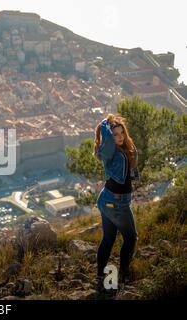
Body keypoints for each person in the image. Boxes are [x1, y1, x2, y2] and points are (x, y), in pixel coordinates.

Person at [94, 114, 140, 297]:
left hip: (106, 198)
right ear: (108, 138)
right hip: (117, 203)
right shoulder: (112, 152)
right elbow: (106, 137)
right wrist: (106, 123)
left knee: (109, 238)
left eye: (122, 133)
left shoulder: (122, 150)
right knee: (131, 238)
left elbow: (133, 157)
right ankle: (124, 274)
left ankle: (100, 277)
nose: (120, 137)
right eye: (115, 135)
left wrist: (112, 126)